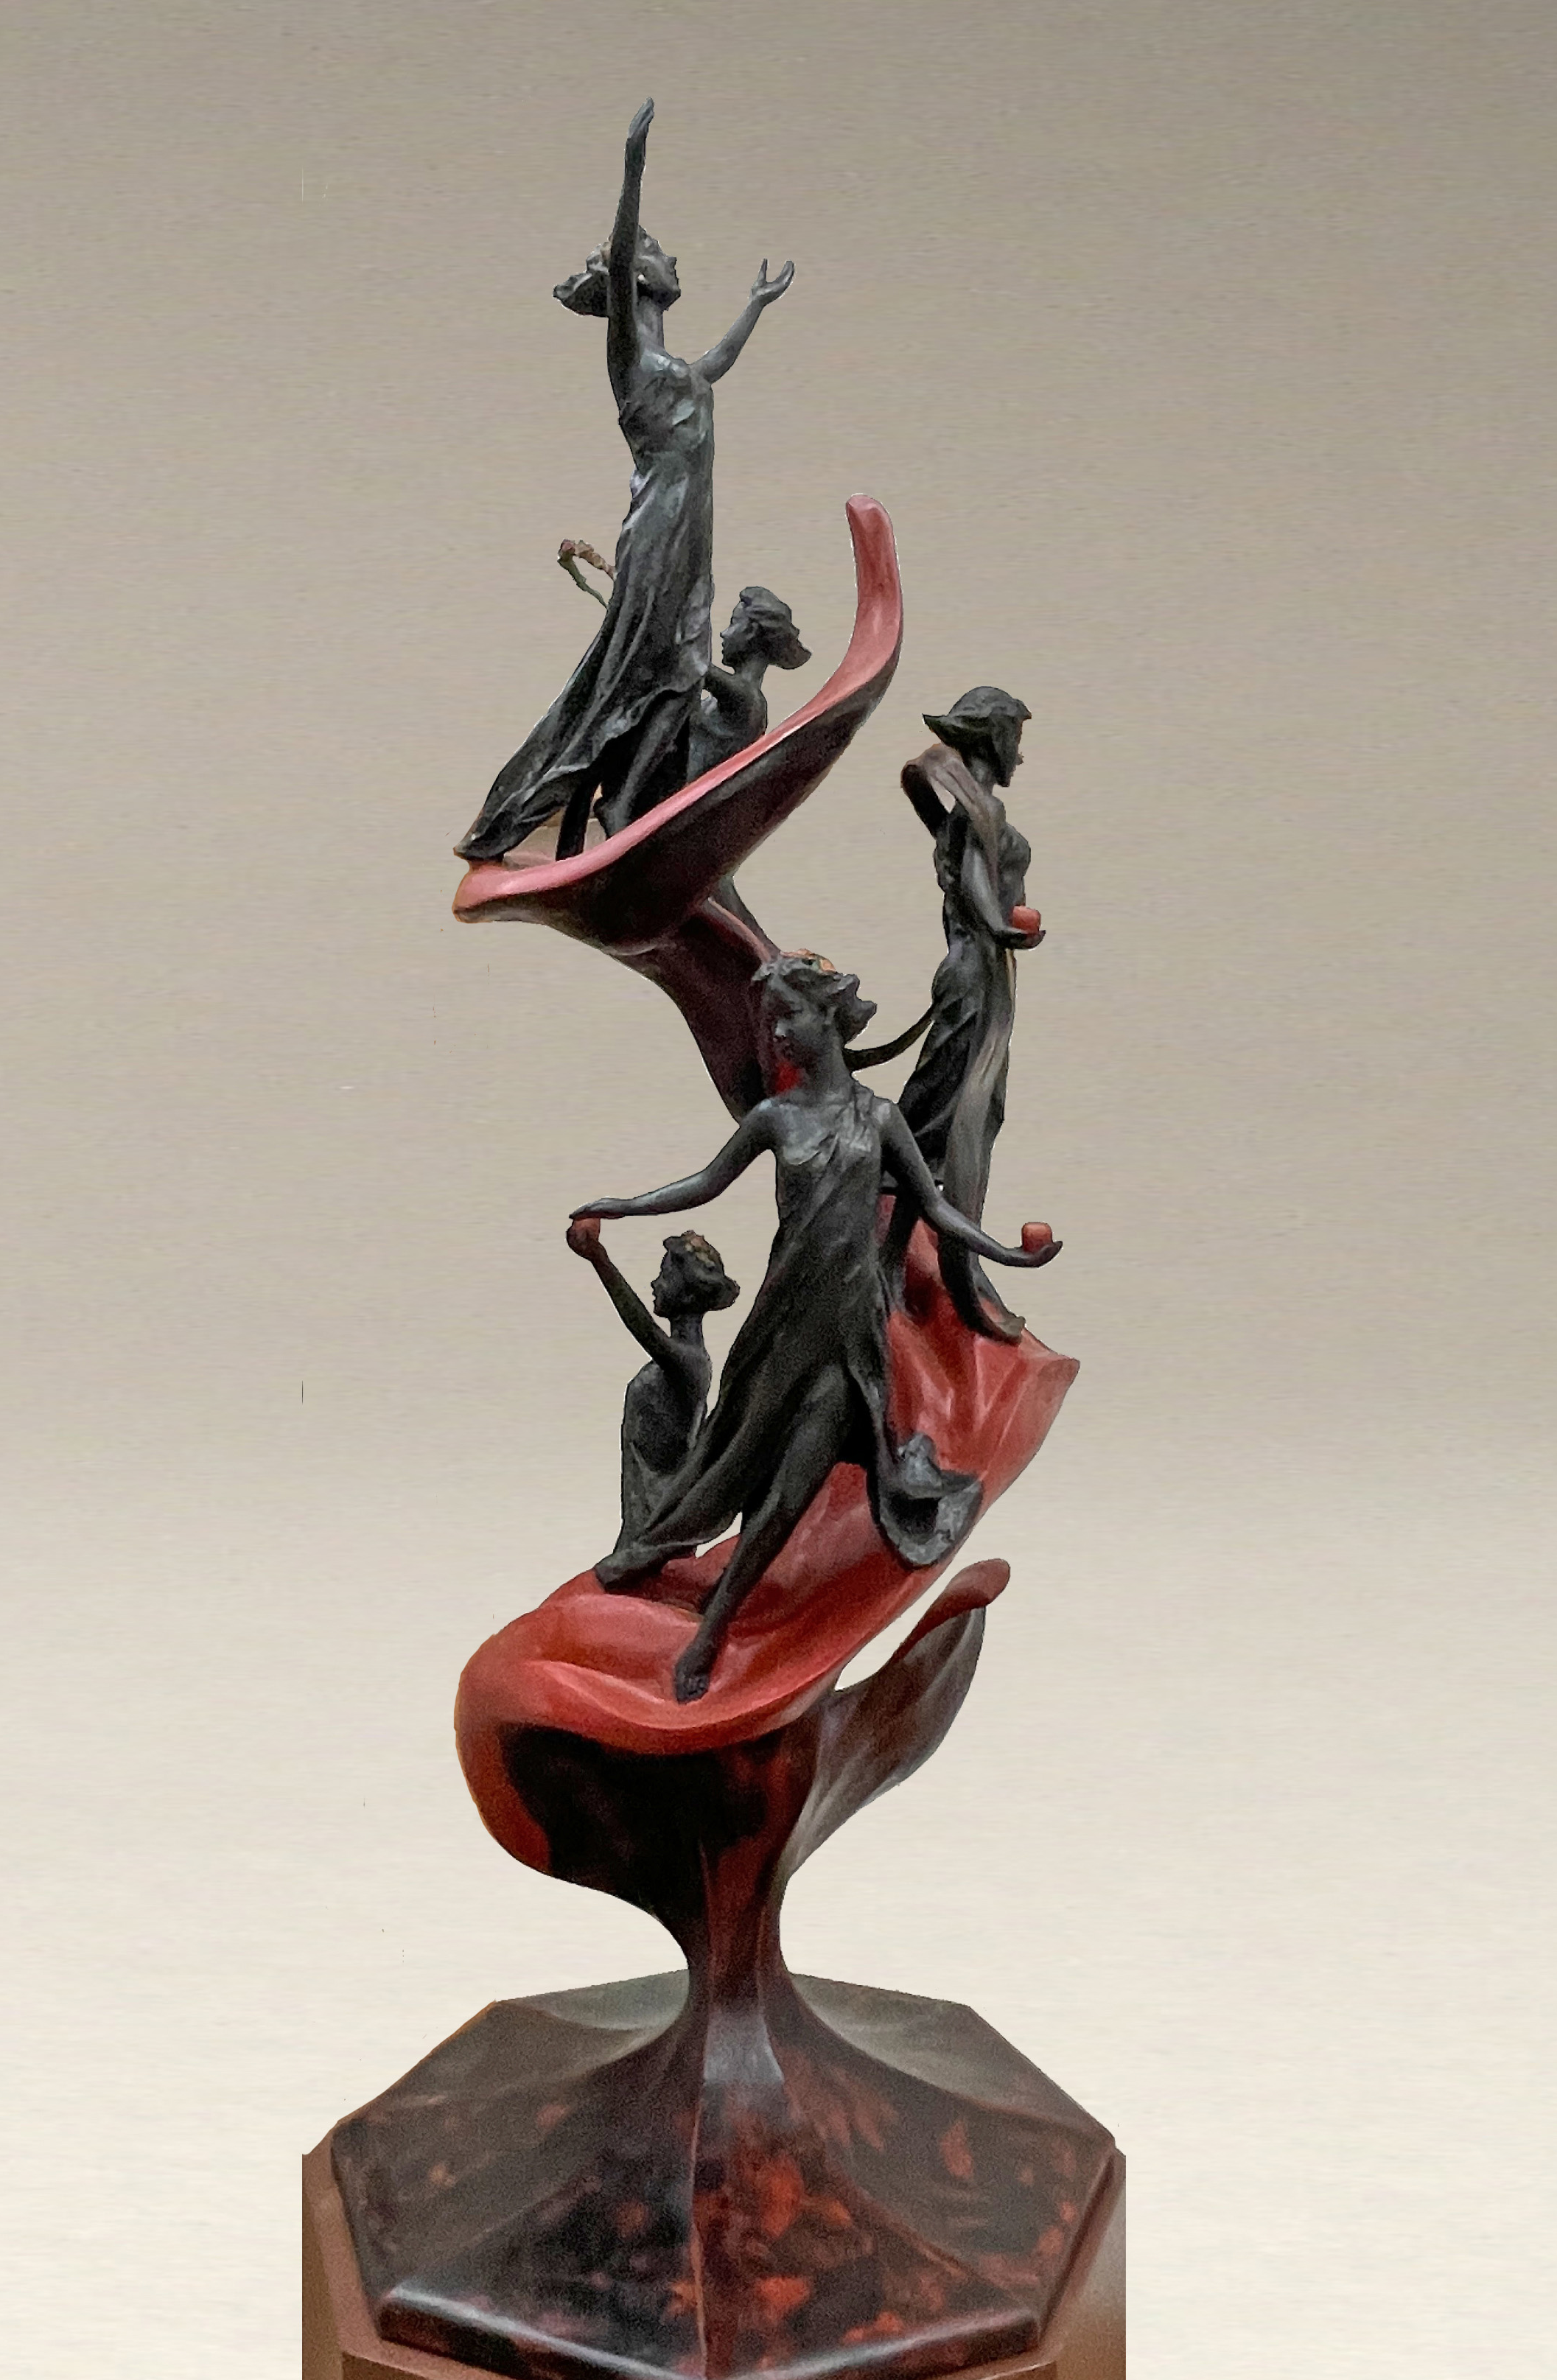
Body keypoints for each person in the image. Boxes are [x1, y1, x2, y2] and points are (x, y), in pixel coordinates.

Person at [570, 953, 1057, 1702]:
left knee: (791, 1492)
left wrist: (1010, 1257)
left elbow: (934, 1208)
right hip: (781, 1329)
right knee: (735, 1461)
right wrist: (623, 1206)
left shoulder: (880, 1118)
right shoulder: (776, 1118)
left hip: (847, 1336)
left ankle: (710, 1634)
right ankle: (661, 1554)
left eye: (788, 1016)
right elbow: (705, 1183)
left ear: (827, 1018)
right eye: (773, 1021)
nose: (777, 1035)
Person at [457, 100, 794, 862]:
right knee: (640, 668)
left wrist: (754, 306)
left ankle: (626, 805)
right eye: (661, 254)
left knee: (678, 668)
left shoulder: (677, 370)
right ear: (639, 277)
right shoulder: (630, 361)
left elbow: (713, 367)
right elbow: (617, 259)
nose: (677, 262)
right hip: (658, 532)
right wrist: (633, 167)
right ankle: (558, 806)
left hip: (690, 531)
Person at [887, 685, 1046, 1339]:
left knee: (962, 1114)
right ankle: (932, 1257)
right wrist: (1002, 929)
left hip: (977, 974)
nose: (1020, 756)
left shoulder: (965, 810)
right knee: (952, 1117)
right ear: (994, 737)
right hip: (975, 974)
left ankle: (924, 1250)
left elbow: (961, 858)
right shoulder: (981, 809)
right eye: (1016, 739)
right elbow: (978, 878)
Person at [564, 1219, 739, 1555]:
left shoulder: (692, 1364)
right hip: (640, 1530)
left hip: (659, 1537)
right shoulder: (679, 1363)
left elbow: (645, 1330)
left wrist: (599, 1258)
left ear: (688, 1292)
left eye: (665, 1274)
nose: (655, 1283)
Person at [685, 586, 811, 781]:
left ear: (751, 631)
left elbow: (691, 665)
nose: (724, 634)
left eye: (733, 623)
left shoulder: (748, 700)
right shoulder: (724, 700)